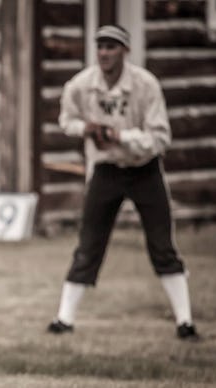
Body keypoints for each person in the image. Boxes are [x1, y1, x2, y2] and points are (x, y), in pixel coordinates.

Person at [47, 25, 199, 340]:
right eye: (100, 46)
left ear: (125, 51)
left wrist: (121, 137)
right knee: (88, 244)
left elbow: (160, 138)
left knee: (162, 245)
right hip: (105, 170)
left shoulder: (145, 85)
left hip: (145, 170)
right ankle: (64, 320)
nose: (104, 53)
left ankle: (185, 322)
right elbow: (67, 120)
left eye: (111, 47)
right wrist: (87, 129)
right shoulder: (81, 84)